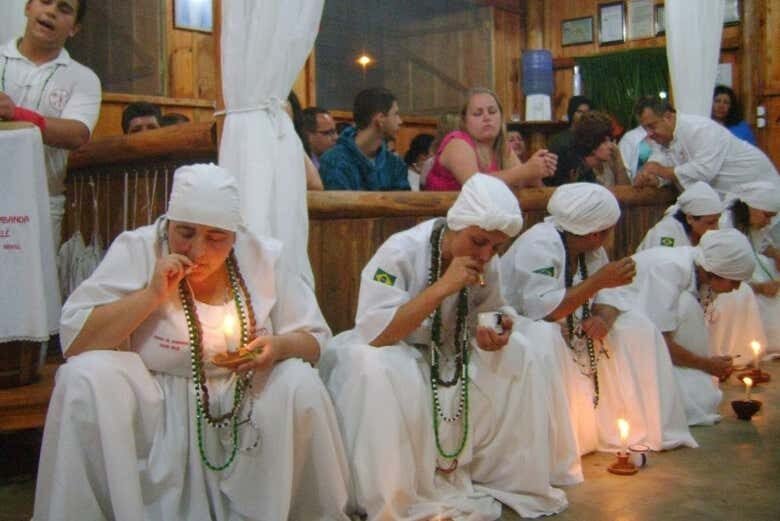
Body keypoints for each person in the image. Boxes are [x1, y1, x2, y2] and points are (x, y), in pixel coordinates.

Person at [33, 164, 351, 520]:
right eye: (185, 233)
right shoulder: (139, 247)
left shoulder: (264, 256)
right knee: (85, 374)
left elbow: (315, 340)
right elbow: (76, 340)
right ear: (168, 223)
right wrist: (152, 294)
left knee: (299, 381)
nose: (198, 250)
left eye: (215, 238)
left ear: (235, 236)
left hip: (241, 402)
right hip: (154, 403)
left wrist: (279, 346)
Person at [320, 174, 581, 520]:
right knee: (381, 369)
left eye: (496, 247)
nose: (487, 254)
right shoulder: (401, 250)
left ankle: (504, 476)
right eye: (478, 242)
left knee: (521, 351)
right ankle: (396, 492)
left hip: (451, 350)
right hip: (392, 349)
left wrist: (497, 328)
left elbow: (495, 308)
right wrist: (444, 287)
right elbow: (376, 333)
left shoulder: (487, 258)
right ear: (457, 225)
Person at [500, 183, 696, 454]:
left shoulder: (590, 247)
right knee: (546, 338)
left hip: (574, 321)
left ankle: (631, 424)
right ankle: (564, 441)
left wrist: (603, 317)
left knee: (638, 327)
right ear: (596, 233)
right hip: (524, 324)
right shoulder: (539, 244)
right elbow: (543, 311)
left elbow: (612, 295)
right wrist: (597, 282)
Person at [628, 229, 756, 426]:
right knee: (692, 403)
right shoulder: (669, 270)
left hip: (658, 342)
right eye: (734, 282)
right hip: (630, 333)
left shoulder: (699, 269)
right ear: (716, 273)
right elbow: (658, 342)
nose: (737, 288)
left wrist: (710, 363)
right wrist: (706, 365)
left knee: (704, 396)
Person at [0, 0, 101, 248]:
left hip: (39, 205)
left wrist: (17, 114)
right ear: (27, 7)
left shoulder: (83, 78)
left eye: (64, 9)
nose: (51, 11)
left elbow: (77, 134)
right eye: (45, 1)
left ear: (74, 28)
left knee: (31, 286)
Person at [637, 182, 768, 363]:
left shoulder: (700, 257)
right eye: (710, 222)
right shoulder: (667, 239)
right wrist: (705, 365)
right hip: (645, 323)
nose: (715, 227)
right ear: (690, 218)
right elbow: (660, 335)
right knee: (687, 306)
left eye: (716, 220)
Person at [632, 96, 779, 194]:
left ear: (668, 117)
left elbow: (703, 171)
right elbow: (660, 161)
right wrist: (653, 179)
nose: (649, 134)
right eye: (645, 128)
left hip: (762, 190)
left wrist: (660, 171)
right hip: (732, 200)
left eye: (652, 126)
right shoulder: (661, 139)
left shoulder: (700, 129)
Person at [425, 87, 556, 191]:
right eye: (478, 113)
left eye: (492, 112)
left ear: (501, 117)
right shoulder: (457, 143)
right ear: (464, 121)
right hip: (443, 220)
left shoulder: (502, 146)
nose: (487, 117)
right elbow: (476, 186)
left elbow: (523, 180)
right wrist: (525, 171)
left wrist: (537, 171)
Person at [722, 181, 780, 353]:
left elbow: (761, 245)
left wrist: (776, 254)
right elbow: (721, 275)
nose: (768, 222)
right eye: (767, 215)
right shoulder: (724, 225)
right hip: (731, 290)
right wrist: (759, 288)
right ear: (751, 208)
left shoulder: (750, 224)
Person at [319, 87, 409, 190]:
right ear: (380, 119)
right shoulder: (333, 161)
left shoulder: (395, 164)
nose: (400, 121)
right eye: (396, 114)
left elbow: (402, 204)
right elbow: (339, 205)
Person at [563, 111, 631, 186]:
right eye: (605, 142)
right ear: (592, 143)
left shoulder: (611, 160)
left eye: (610, 140)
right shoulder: (578, 170)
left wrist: (618, 159)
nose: (611, 146)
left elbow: (626, 190)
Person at [544, 95, 592, 187]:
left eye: (587, 112)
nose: (584, 116)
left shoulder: (591, 138)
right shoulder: (559, 140)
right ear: (572, 113)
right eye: (579, 112)